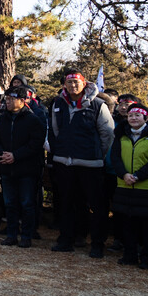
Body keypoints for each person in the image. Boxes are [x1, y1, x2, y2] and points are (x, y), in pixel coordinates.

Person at [47, 69, 115, 258]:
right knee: (67, 203)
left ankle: (97, 243)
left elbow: (107, 134)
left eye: (77, 82)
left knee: (96, 205)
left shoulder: (98, 104)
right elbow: (55, 129)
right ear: (64, 86)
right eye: (69, 83)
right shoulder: (58, 103)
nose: (73, 86)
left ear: (84, 84)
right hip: (64, 162)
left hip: (90, 164)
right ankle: (66, 239)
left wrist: (95, 153)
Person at [0, 86, 46, 248]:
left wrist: (16, 155)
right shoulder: (2, 119)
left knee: (27, 203)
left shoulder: (33, 120)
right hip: (7, 169)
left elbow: (36, 143)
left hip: (26, 170)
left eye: (11, 99)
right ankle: (11, 234)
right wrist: (2, 153)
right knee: (10, 203)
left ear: (22, 101)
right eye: (6, 99)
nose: (7, 102)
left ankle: (27, 236)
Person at [110, 105, 148, 269]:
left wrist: (138, 176)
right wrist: (124, 174)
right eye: (131, 115)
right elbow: (115, 158)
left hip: (146, 187)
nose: (133, 118)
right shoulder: (121, 135)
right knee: (127, 223)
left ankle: (147, 258)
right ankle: (129, 255)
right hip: (124, 185)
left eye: (138, 115)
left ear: (146, 118)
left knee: (147, 226)